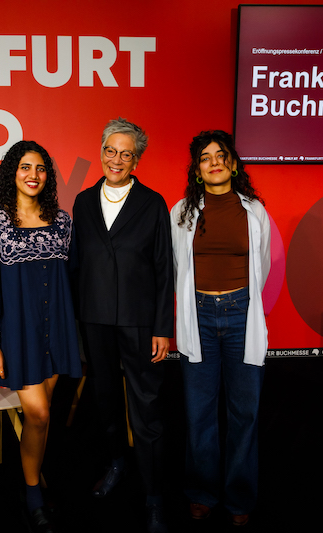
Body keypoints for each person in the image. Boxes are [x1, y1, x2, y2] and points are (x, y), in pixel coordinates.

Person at [72, 118, 174, 533]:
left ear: (137, 159)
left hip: (139, 321)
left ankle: (153, 495)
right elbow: (77, 264)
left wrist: (162, 327)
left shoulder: (153, 203)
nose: (116, 159)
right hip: (94, 319)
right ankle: (117, 463)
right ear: (101, 151)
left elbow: (165, 269)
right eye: (110, 150)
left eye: (126, 153)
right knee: (105, 402)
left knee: (147, 410)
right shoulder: (81, 201)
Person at [0, 140, 82, 533]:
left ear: (48, 177)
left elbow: (69, 279)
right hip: (17, 334)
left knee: (43, 415)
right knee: (37, 413)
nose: (33, 175)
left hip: (57, 330)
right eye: (24, 167)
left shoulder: (64, 221)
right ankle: (33, 493)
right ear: (11, 173)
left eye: (40, 168)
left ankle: (32, 477)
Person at [170, 130, 271, 527]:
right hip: (198, 316)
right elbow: (178, 270)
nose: (213, 162)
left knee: (244, 413)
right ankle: (201, 492)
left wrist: (239, 303)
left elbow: (259, 268)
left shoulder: (254, 211)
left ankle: (240, 497)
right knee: (199, 414)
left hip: (242, 314)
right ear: (197, 170)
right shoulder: (181, 212)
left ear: (232, 163)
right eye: (205, 157)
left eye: (220, 155)